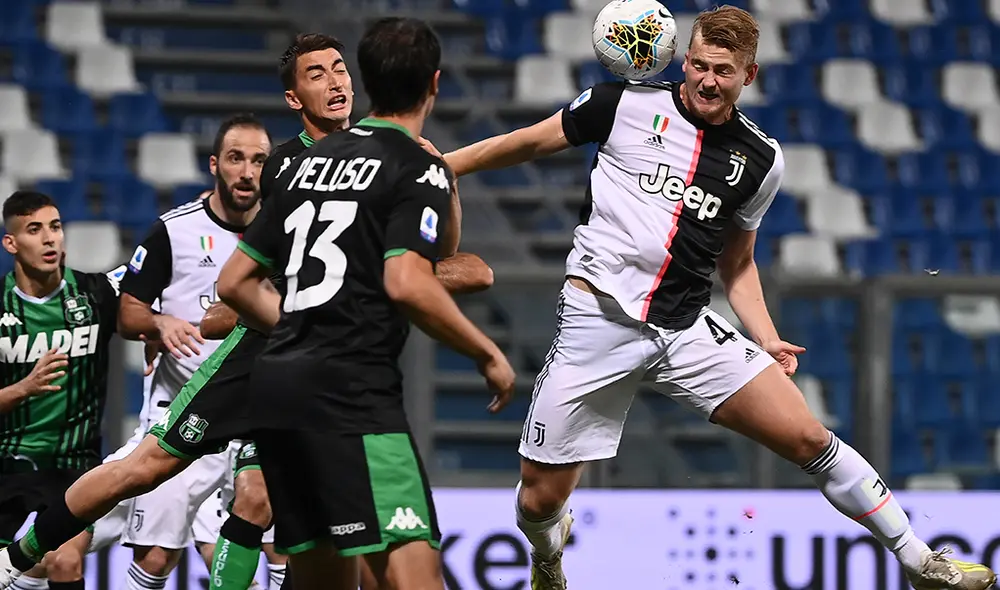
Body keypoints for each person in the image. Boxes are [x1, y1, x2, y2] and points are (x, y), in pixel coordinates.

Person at [440, 6, 997, 590]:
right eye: (699, 65)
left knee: (810, 436)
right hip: (597, 322)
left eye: (723, 71)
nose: (707, 80)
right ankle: (548, 553)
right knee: (537, 499)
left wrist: (767, 336)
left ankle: (920, 562)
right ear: (684, 60)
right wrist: (439, 168)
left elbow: (739, 264)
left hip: (685, 330)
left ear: (748, 76)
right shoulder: (621, 104)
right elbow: (525, 143)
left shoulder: (760, 161)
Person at [0, 32, 494, 590]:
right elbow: (252, 281)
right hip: (263, 353)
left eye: (340, 69)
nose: (335, 83)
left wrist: (436, 184)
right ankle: (16, 556)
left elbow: (468, 265)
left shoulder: (389, 159)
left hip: (315, 370)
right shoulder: (287, 167)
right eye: (317, 74)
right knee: (146, 468)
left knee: (269, 504)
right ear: (292, 98)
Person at [215, 17, 514, 590]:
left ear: (366, 80)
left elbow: (234, 282)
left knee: (323, 578)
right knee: (415, 574)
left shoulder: (304, 163)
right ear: (434, 83)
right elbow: (407, 281)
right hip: (351, 394)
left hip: (277, 390)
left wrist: (298, 327)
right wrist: (485, 352)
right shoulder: (414, 163)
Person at [0, 115, 274, 590]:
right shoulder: (174, 231)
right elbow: (132, 312)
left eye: (258, 161)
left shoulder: (282, 229)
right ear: (214, 165)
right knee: (152, 552)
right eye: (236, 158)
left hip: (257, 411)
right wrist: (157, 323)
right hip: (185, 411)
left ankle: (15, 567)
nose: (247, 172)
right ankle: (13, 567)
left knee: (265, 536)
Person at [0, 191, 125, 590]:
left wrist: (159, 330)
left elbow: (149, 300)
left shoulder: (96, 293)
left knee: (64, 559)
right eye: (34, 230)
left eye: (55, 227)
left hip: (76, 466)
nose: (50, 238)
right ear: (12, 243)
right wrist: (24, 388)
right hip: (8, 469)